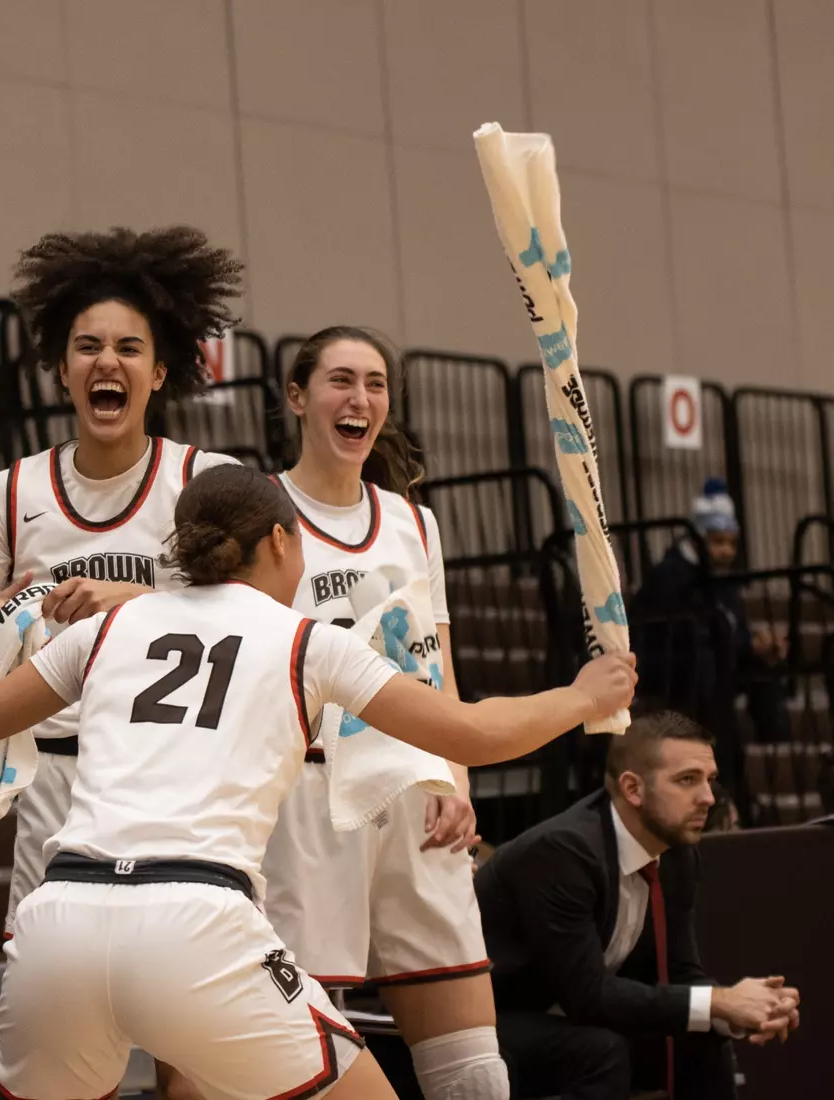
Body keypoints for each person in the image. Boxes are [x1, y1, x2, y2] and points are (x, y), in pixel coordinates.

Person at [0, 464, 637, 1100]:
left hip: (61, 923)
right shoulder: (303, 641)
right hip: (196, 922)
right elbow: (471, 733)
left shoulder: (111, 625)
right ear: (284, 543)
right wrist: (582, 696)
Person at [0, 226, 242, 945]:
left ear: (160, 372)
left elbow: (262, 618)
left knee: (178, 1021)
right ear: (62, 369)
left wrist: (129, 599)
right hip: (52, 781)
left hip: (175, 775)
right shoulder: (10, 493)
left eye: (129, 348)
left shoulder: (203, 482)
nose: (108, 362)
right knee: (48, 1014)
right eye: (87, 346)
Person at [259, 326, 507, 1099]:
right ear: (298, 398)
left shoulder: (414, 522)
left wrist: (457, 779)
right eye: (338, 380)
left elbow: (439, 669)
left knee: (475, 1075)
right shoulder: (259, 507)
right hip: (310, 797)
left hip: (414, 793)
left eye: (373, 383)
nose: (358, 398)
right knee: (310, 1063)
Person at [476, 711, 801, 1100]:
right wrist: (720, 1002)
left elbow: (679, 971)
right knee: (600, 1050)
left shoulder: (676, 853)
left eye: (709, 780)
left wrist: (740, 1008)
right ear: (633, 789)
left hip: (572, 1015)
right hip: (492, 1016)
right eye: (687, 780)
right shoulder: (564, 853)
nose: (709, 798)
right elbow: (588, 994)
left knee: (701, 1036)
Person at [633, 477, 789, 740]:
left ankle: (775, 743)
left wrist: (757, 644)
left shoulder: (721, 579)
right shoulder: (671, 575)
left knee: (761, 665)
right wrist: (745, 643)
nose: (727, 551)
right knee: (707, 663)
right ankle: (722, 755)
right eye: (718, 542)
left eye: (732, 543)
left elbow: (730, 625)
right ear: (698, 540)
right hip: (670, 663)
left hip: (715, 655)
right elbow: (687, 632)